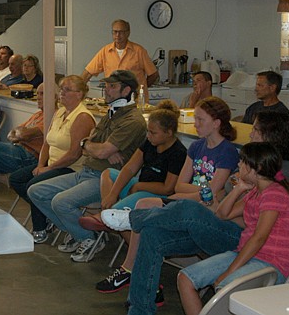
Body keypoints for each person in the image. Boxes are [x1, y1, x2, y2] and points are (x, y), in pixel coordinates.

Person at [98, 111, 289, 314]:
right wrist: (229, 194)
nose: (250, 134)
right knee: (153, 235)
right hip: (225, 225)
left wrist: (224, 200)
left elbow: (262, 228)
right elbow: (231, 209)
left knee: (190, 209)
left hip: (239, 240)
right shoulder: (253, 179)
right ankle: (140, 309)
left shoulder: (276, 178)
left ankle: (133, 219)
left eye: (256, 130)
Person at [94, 96, 239, 299]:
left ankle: (129, 243)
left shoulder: (228, 151)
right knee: (145, 211)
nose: (195, 124)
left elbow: (212, 193)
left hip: (205, 208)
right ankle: (136, 276)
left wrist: (187, 192)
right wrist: (189, 192)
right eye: (195, 119)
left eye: (200, 120)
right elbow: (180, 184)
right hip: (186, 199)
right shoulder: (197, 146)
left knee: (146, 212)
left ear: (216, 123)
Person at [28, 70, 147, 262]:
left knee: (61, 202)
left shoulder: (132, 120)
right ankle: (78, 232)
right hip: (86, 171)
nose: (106, 90)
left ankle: (88, 238)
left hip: (105, 178)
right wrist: (93, 146)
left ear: (126, 90)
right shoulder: (112, 113)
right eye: (106, 86)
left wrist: (96, 147)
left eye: (112, 86)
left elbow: (99, 150)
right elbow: (88, 143)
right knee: (36, 191)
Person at [177, 142, 289, 315]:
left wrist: (228, 272)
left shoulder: (274, 194)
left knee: (225, 290)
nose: (239, 165)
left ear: (256, 168)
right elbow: (222, 214)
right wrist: (239, 188)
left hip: (272, 263)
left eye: (243, 161)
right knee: (185, 279)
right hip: (249, 256)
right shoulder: (256, 191)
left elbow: (259, 238)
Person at [78, 100, 187, 241]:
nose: (148, 135)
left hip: (157, 194)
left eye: (153, 133)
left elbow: (168, 188)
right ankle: (107, 213)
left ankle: (108, 217)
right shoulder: (149, 143)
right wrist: (113, 193)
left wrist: (139, 186)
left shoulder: (178, 153)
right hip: (141, 184)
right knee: (108, 173)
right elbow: (130, 168)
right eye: (148, 131)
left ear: (169, 133)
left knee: (132, 201)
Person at [9, 75, 96, 243]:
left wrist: (48, 169)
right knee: (16, 179)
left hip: (71, 168)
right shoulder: (60, 112)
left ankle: (40, 228)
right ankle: (47, 213)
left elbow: (74, 154)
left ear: (79, 94)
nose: (62, 93)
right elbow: (47, 142)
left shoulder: (82, 117)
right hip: (52, 163)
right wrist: (41, 164)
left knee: (33, 185)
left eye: (67, 90)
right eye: (61, 89)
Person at [81, 19, 158, 100]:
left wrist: (141, 88)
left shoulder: (139, 51)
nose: (117, 35)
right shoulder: (105, 51)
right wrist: (77, 91)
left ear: (128, 33)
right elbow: (88, 73)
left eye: (121, 32)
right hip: (113, 99)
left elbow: (153, 74)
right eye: (115, 32)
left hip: (135, 101)